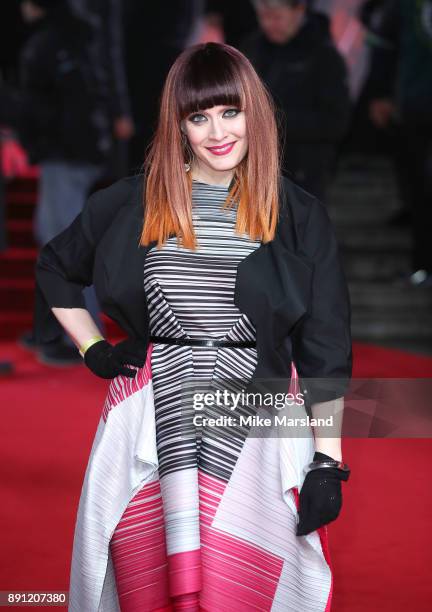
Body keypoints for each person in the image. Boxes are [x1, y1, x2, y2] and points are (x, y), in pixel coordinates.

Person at [34, 42, 352, 611]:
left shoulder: (298, 213)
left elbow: (326, 349)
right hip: (152, 422)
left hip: (257, 422)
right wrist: (93, 349)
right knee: (148, 584)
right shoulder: (134, 201)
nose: (216, 132)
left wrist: (328, 463)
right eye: (198, 116)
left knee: (243, 588)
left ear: (254, 112)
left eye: (230, 112)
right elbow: (55, 267)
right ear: (178, 125)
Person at [0, 0, 111, 364]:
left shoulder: (49, 44)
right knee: (58, 243)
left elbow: (41, 107)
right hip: (76, 152)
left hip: (66, 154)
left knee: (65, 249)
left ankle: (81, 336)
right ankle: (60, 331)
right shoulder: (79, 36)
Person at [240, 0, 351, 202]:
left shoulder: (323, 56)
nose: (269, 24)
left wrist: (273, 121)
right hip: (255, 170)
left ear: (299, 10)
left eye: (277, 17)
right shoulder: (252, 48)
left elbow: (335, 122)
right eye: (263, 17)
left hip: (303, 173)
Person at [367, 0, 432, 287]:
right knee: (421, 190)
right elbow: (383, 44)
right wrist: (381, 92)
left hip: (415, 104)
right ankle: (423, 265)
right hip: (416, 109)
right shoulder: (404, 7)